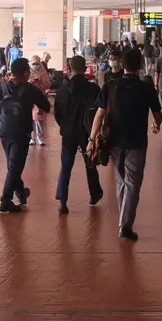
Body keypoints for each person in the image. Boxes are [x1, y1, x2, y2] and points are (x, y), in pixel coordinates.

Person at [88, 49, 162, 241]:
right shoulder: (146, 88)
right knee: (133, 184)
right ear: (140, 65)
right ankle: (125, 225)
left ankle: (124, 221)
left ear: (122, 64)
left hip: (114, 141)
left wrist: (91, 139)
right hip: (137, 142)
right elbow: (157, 113)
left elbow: (99, 114)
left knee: (122, 181)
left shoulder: (111, 86)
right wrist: (157, 124)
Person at [0, 58, 52, 213]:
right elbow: (47, 107)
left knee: (13, 166)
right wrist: (40, 92)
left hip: (3, 132)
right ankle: (5, 200)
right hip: (21, 133)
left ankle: (21, 192)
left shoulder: (2, 89)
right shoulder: (30, 89)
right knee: (14, 168)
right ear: (26, 73)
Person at [54, 56, 104, 214]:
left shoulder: (62, 91)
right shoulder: (93, 89)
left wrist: (65, 126)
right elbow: (99, 112)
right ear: (85, 68)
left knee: (66, 166)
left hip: (68, 133)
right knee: (90, 163)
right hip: (87, 133)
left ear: (69, 68)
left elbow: (57, 113)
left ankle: (62, 200)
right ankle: (94, 194)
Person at [28, 56, 50, 146]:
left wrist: (41, 81)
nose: (35, 66)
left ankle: (40, 138)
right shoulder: (28, 72)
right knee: (31, 119)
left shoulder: (43, 73)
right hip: (29, 98)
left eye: (37, 64)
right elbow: (24, 83)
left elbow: (48, 85)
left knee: (38, 118)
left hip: (39, 98)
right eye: (33, 64)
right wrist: (31, 81)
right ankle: (32, 138)